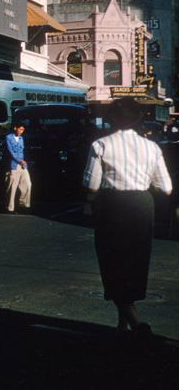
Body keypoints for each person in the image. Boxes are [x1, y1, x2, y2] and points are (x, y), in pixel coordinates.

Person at [83, 98, 172, 340]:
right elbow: (166, 187)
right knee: (134, 262)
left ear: (112, 119)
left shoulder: (101, 144)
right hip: (142, 205)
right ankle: (122, 325)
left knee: (112, 262)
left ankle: (135, 323)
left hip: (113, 206)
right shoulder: (151, 147)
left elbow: (91, 184)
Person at [5, 122, 31, 213]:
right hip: (14, 164)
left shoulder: (21, 138)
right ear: (15, 128)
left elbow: (22, 151)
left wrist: (23, 162)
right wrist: (19, 161)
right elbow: (10, 151)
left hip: (22, 164)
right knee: (13, 187)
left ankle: (23, 205)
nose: (21, 131)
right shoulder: (8, 137)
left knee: (28, 184)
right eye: (20, 129)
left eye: (23, 130)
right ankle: (10, 208)